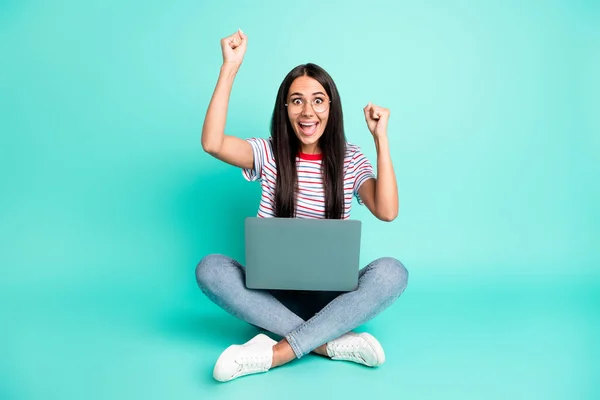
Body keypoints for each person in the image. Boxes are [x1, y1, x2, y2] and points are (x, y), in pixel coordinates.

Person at [196, 29, 409, 382]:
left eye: (318, 100)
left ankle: (277, 352)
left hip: (331, 301)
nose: (307, 111)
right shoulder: (267, 152)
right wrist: (230, 67)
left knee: (393, 272)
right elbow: (212, 143)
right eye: (297, 100)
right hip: (270, 300)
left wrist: (380, 140)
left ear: (331, 107)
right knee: (210, 269)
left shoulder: (350, 159)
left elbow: (387, 211)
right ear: (285, 108)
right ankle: (329, 341)